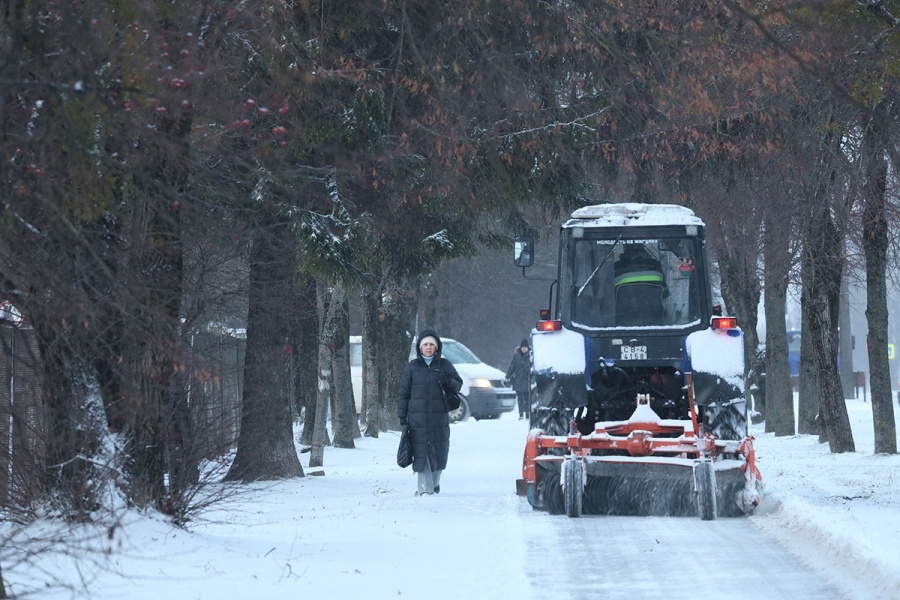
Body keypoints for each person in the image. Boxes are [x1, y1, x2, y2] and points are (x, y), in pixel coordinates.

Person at [398, 329, 462, 497]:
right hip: (417, 420)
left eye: (431, 345)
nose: (428, 348)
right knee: (421, 455)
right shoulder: (412, 367)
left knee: (438, 453)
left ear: (436, 347)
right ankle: (424, 490)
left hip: (438, 419)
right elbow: (404, 393)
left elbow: (457, 384)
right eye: (425, 344)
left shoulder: (444, 365)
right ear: (420, 348)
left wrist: (447, 380)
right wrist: (402, 415)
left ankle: (434, 484)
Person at [613, 245, 666, 326]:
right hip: (655, 320)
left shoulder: (616, 267)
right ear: (643, 246)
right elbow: (665, 294)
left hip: (624, 322)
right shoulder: (655, 265)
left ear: (625, 248)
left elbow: (606, 297)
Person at [506, 338, 532, 420]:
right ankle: (521, 414)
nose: (524, 349)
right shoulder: (516, 356)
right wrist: (507, 376)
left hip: (528, 381)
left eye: (525, 347)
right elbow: (512, 366)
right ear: (520, 347)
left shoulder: (531, 356)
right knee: (520, 399)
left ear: (528, 348)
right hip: (518, 381)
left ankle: (528, 415)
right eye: (523, 347)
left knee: (528, 400)